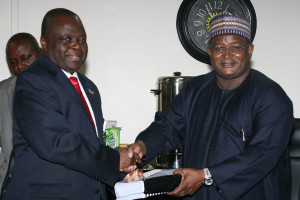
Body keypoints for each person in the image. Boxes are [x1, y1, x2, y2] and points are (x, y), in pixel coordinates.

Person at [129, 12, 294, 200]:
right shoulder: (194, 89)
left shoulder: (270, 96)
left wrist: (207, 175)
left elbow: (262, 155)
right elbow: (168, 127)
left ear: (250, 50)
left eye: (236, 47)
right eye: (219, 48)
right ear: (209, 52)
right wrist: (142, 145)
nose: (227, 55)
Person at [3, 8, 137, 200]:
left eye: (82, 40)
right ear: (44, 42)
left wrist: (123, 172)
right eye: (66, 39)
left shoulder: (89, 87)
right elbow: (57, 143)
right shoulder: (33, 80)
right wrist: (115, 160)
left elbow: (92, 145)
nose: (77, 46)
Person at [0, 32, 42, 196]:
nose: (20, 67)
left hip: (49, 187)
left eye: (25, 58)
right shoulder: (2, 92)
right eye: (13, 62)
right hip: (11, 186)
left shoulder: (60, 87)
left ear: (39, 54)